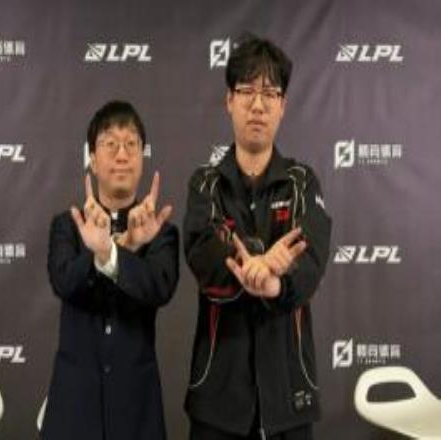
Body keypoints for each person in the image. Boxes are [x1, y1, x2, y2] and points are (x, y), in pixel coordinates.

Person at [184, 34, 332, 440]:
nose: (258, 104)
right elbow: (203, 255)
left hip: (288, 395)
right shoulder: (205, 183)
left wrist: (275, 284)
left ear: (283, 106)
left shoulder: (302, 182)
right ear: (229, 100)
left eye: (270, 93)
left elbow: (312, 259)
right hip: (218, 397)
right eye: (247, 91)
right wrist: (256, 261)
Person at [42, 100, 179, 440]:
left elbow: (158, 287)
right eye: (110, 144)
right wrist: (103, 253)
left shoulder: (161, 231)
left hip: (137, 411)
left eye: (131, 144)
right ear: (92, 158)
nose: (122, 155)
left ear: (142, 157)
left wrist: (114, 252)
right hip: (73, 411)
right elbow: (65, 282)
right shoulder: (68, 225)